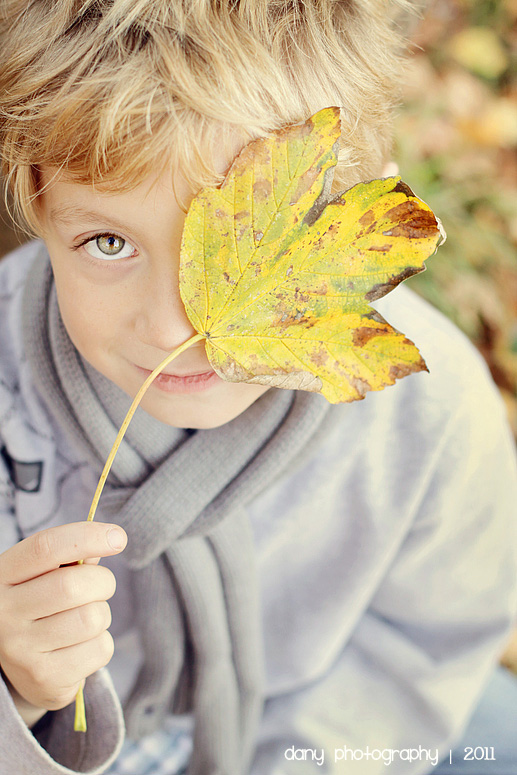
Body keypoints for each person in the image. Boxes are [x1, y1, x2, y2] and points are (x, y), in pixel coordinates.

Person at [0, 2, 516, 774]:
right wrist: (19, 685)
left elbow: (422, 647)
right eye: (109, 241)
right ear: (39, 208)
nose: (176, 324)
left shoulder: (426, 414)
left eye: (247, 246)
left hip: (335, 727)